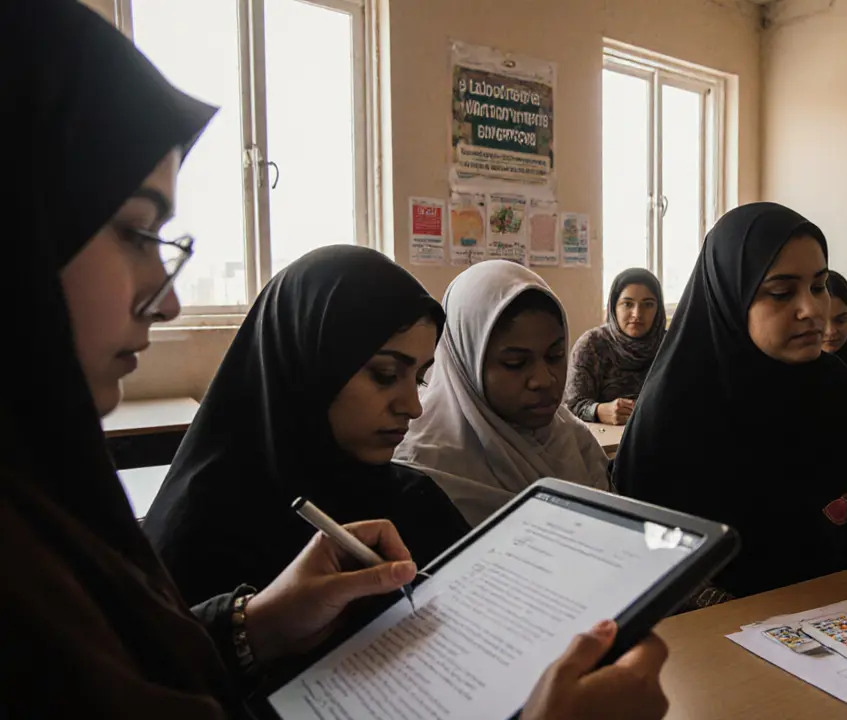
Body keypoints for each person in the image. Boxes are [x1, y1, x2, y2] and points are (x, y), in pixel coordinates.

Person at [0, 3, 667, 715]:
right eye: (138, 231)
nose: (165, 304)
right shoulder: (83, 549)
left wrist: (252, 628)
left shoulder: (52, 497)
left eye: (418, 375)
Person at [143, 246, 472, 604]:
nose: (413, 407)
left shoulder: (416, 501)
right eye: (386, 375)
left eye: (421, 379)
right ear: (304, 366)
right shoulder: (201, 532)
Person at [613, 203, 847, 600]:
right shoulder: (677, 411)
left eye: (819, 286)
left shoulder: (836, 386)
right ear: (730, 297)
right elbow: (657, 566)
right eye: (780, 293)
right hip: (722, 640)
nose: (813, 311)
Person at [395, 260, 610, 525]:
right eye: (515, 364)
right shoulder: (422, 469)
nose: (543, 380)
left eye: (555, 356)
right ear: (467, 364)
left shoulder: (574, 441)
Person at [564, 268, 667, 425]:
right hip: (607, 445)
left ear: (658, 309)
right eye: (627, 304)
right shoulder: (592, 345)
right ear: (614, 307)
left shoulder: (670, 344)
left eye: (648, 304)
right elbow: (571, 406)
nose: (637, 314)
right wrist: (598, 410)